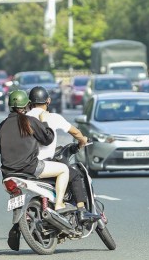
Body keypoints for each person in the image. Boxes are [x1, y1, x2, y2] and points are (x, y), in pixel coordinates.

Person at [0, 89, 67, 251]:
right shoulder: (30, 121)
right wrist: (44, 121)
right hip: (30, 168)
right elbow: (48, 138)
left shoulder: (2, 125)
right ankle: (59, 205)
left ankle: (17, 226)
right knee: (63, 169)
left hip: (8, 174)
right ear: (27, 105)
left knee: (16, 196)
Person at [25, 86, 101, 224]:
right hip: (44, 164)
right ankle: (82, 210)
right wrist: (83, 140)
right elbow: (75, 132)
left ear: (30, 103)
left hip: (25, 164)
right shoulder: (52, 117)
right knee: (76, 175)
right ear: (48, 101)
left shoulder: (23, 119)